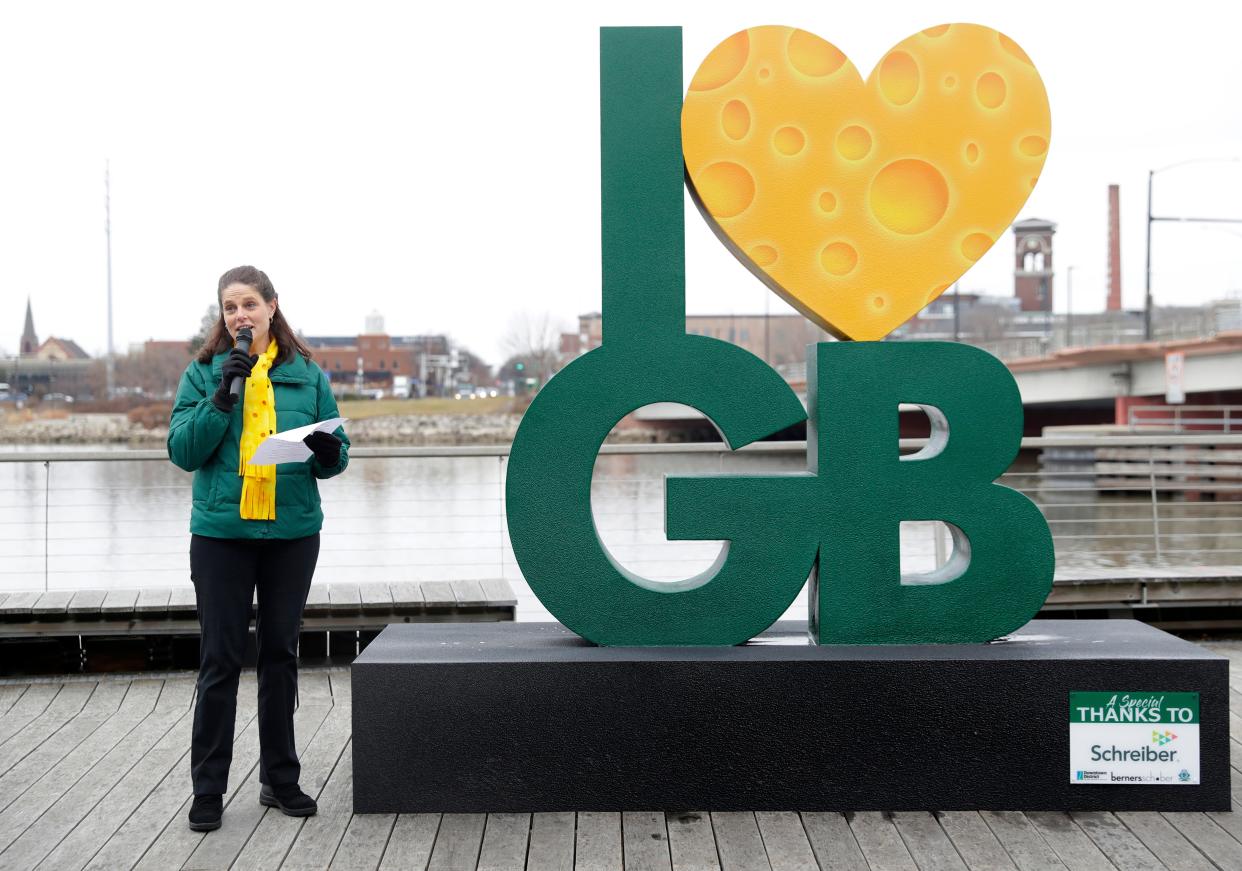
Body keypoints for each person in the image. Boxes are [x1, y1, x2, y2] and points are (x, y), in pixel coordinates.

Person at [168, 265, 349, 832]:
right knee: (219, 662)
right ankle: (208, 790)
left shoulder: (307, 375)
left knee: (281, 656)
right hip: (222, 537)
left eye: (249, 304)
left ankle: (280, 779)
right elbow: (184, 451)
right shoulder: (202, 374)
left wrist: (324, 451)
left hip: (291, 534)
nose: (240, 316)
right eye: (230, 308)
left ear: (272, 306)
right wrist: (224, 393)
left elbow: (337, 457)